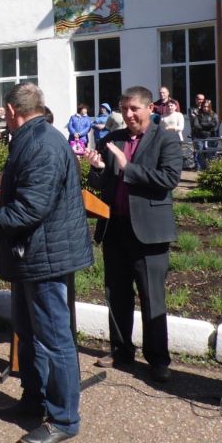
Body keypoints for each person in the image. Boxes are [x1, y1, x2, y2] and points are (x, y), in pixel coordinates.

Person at [0, 83, 92, 443]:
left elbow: (32, 206)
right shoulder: (30, 139)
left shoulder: (43, 143)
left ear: (10, 111)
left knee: (54, 339)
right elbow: (19, 198)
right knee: (29, 334)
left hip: (47, 258)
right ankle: (34, 400)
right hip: (29, 254)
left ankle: (64, 419)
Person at [85, 85, 182, 385]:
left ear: (150, 108)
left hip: (150, 233)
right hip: (115, 228)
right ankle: (121, 350)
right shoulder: (112, 139)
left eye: (134, 109)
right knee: (116, 294)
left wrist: (129, 168)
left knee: (152, 298)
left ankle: (158, 359)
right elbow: (101, 183)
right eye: (124, 109)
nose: (128, 114)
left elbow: (169, 179)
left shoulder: (166, 139)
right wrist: (98, 168)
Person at [190, 99, 218, 169]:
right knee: (200, 152)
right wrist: (208, 125)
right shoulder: (198, 115)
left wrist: (202, 124)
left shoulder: (214, 115)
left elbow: (215, 125)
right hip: (200, 136)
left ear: (210, 107)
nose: (205, 108)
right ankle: (201, 167)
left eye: (207, 107)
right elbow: (196, 125)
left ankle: (210, 167)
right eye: (204, 107)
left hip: (210, 136)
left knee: (210, 153)